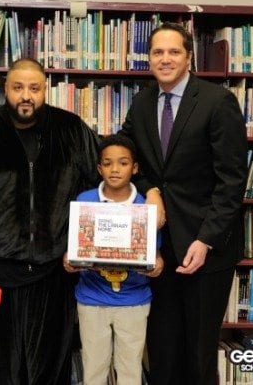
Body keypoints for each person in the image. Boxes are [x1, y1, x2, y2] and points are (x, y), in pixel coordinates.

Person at [0, 57, 100, 385]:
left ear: (45, 90)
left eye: (34, 88)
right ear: (5, 89)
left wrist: (79, 249)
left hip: (56, 272)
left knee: (51, 370)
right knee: (3, 369)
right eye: (18, 87)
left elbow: (98, 191)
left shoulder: (72, 131)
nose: (26, 96)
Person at [119, 22, 248, 385]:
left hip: (205, 251)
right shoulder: (143, 101)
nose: (165, 59)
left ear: (189, 57)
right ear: (148, 60)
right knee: (161, 350)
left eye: (174, 51)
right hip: (162, 250)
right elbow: (129, 157)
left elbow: (232, 181)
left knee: (197, 355)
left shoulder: (217, 101)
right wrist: (151, 190)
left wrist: (205, 240)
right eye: (157, 52)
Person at [62, 134, 164, 385]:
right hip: (91, 299)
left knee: (129, 369)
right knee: (94, 368)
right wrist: (69, 259)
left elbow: (156, 253)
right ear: (99, 168)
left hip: (134, 301)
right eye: (107, 163)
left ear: (135, 168)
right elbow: (72, 248)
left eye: (123, 163)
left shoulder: (145, 206)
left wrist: (157, 264)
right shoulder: (85, 201)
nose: (115, 169)